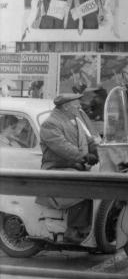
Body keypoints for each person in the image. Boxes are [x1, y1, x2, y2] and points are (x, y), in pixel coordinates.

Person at [36, 93, 99, 243]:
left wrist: (99, 150)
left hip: (76, 167)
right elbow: (62, 147)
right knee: (84, 187)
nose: (79, 106)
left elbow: (89, 141)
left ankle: (90, 228)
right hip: (56, 169)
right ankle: (73, 230)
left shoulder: (75, 121)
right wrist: (83, 157)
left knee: (100, 184)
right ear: (65, 106)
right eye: (76, 103)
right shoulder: (50, 124)